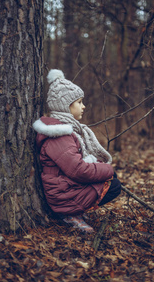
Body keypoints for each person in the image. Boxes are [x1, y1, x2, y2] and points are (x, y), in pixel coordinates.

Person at [33, 69, 121, 233]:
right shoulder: (58, 136)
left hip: (65, 187)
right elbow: (79, 170)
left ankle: (76, 211)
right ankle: (71, 214)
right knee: (114, 185)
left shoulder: (64, 131)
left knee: (111, 178)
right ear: (65, 106)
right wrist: (107, 168)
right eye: (79, 102)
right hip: (62, 194)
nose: (83, 106)